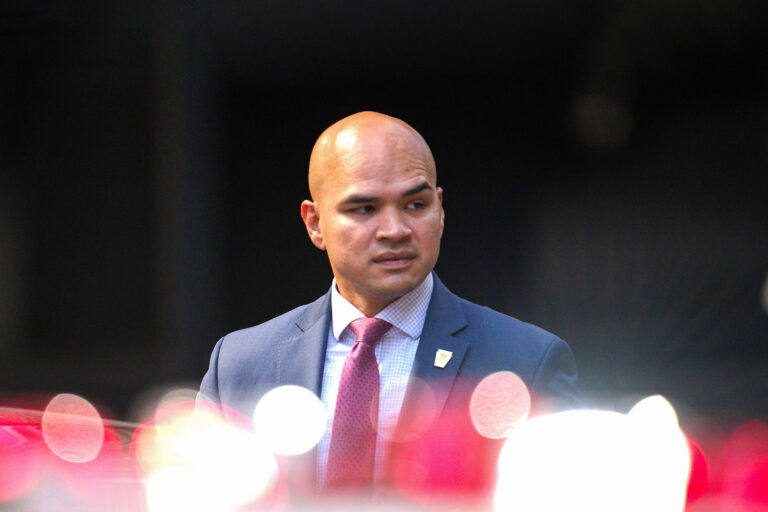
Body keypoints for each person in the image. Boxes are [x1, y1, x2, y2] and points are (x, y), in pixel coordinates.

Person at [198, 111, 581, 501]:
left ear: (441, 208)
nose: (395, 230)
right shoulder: (239, 364)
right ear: (314, 223)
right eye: (364, 209)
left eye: (416, 204)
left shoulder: (527, 361)